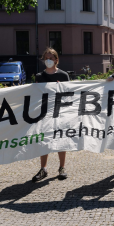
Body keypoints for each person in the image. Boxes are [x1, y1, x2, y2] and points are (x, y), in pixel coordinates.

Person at [32, 47, 71, 182]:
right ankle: (43, 168)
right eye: (46, 58)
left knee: (61, 140)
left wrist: (62, 88)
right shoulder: (39, 76)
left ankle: (62, 168)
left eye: (51, 58)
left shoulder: (63, 75)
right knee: (44, 140)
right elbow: (35, 96)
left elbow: (70, 96)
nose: (48, 60)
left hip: (60, 113)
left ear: (56, 60)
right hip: (45, 113)